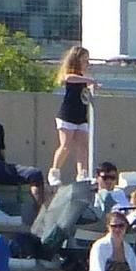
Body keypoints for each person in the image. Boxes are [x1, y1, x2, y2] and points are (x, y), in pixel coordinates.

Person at [48, 44, 94, 186]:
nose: (87, 63)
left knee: (83, 146)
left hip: (81, 115)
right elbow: (68, 78)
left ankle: (82, 173)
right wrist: (89, 80)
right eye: (84, 60)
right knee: (66, 145)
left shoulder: (82, 78)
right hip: (68, 114)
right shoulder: (70, 75)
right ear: (77, 60)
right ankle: (54, 171)